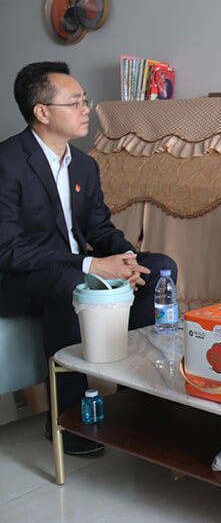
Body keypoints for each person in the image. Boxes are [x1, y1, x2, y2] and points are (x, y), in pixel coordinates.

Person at [0, 62, 176, 455]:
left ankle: (139, 400)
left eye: (85, 100)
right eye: (75, 102)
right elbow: (9, 250)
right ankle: (68, 419)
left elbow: (98, 228)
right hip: (22, 280)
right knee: (71, 283)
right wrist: (91, 266)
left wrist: (126, 257)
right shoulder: (7, 162)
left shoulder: (83, 164)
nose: (85, 110)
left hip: (74, 269)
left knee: (160, 267)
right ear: (42, 112)